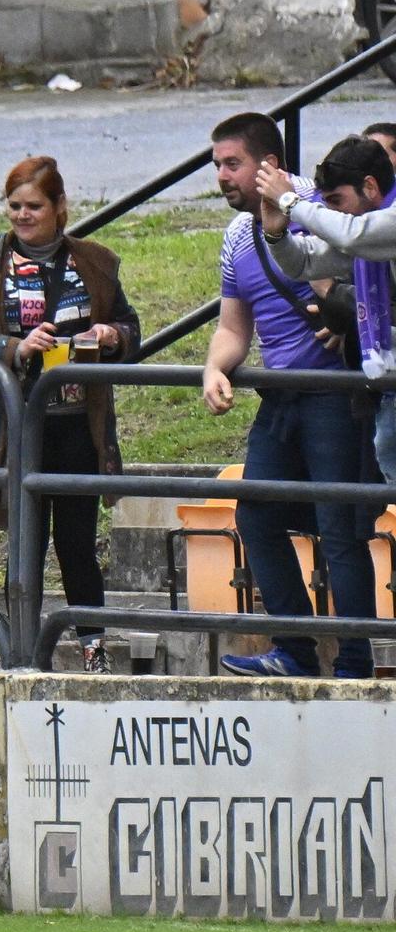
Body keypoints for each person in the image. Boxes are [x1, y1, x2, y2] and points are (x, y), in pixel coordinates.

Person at [0, 155, 140, 673]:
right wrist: (13, 346)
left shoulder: (95, 262)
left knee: (76, 544)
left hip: (77, 427)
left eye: (34, 206)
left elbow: (129, 329)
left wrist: (111, 336)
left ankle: (95, 654)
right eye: (14, 207)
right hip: (17, 426)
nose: (23, 216)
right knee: (24, 542)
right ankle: (24, 651)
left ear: (60, 207)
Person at [200, 115, 374, 679]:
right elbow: (233, 327)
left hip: (332, 397)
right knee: (256, 516)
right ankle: (294, 650)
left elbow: (365, 279)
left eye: (234, 164)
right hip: (279, 399)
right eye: (217, 164)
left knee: (340, 529)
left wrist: (349, 321)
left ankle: (354, 661)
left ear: (268, 165)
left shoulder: (316, 208)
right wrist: (214, 370)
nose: (222, 176)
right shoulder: (234, 238)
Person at [255, 137, 396, 485]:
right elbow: (303, 262)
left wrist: (290, 200)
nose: (331, 213)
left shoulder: (375, 226)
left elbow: (351, 236)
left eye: (336, 201)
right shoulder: (361, 230)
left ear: (370, 186)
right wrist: (276, 235)